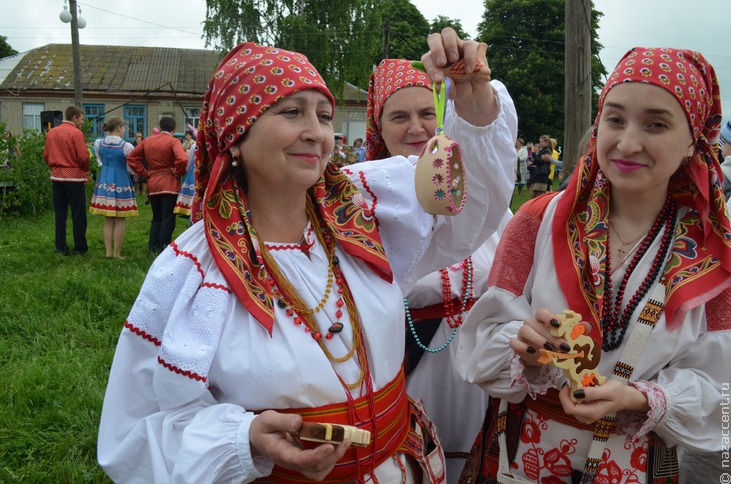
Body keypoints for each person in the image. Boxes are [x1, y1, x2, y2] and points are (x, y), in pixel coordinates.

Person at [97, 34, 516, 483]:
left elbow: (469, 207)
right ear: (235, 139)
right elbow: (138, 427)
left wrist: (472, 104)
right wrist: (244, 437)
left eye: (323, 115)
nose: (316, 132)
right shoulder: (193, 271)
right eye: (291, 112)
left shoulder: (361, 214)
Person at [455, 47, 731, 483]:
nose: (627, 142)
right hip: (519, 458)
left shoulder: (714, 256)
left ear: (693, 142)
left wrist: (642, 398)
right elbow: (478, 347)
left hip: (634, 466)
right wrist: (527, 348)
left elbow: (723, 396)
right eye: (615, 119)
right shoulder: (537, 221)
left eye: (656, 124)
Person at [362, 51, 516, 483]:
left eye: (427, 113)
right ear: (379, 127)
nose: (416, 128)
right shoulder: (363, 208)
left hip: (478, 371)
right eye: (399, 116)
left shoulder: (486, 205)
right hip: (410, 365)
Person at [127, 116, 188, 254]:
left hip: (153, 183)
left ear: (159, 127)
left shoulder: (147, 141)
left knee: (156, 217)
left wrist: (145, 173)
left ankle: (153, 248)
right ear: (174, 129)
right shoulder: (173, 141)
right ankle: (164, 248)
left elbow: (131, 158)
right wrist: (178, 172)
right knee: (168, 217)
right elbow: (183, 159)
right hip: (170, 183)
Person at [43, 105, 90, 255]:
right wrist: (86, 169)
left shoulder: (51, 132)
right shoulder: (76, 133)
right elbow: (83, 156)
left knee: (60, 214)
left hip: (57, 176)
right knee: (78, 214)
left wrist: (54, 165)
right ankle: (80, 247)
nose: (82, 122)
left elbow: (46, 155)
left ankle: (60, 247)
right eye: (81, 119)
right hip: (74, 177)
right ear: (74, 118)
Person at [89, 116, 138, 258]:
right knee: (120, 218)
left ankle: (108, 252)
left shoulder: (99, 143)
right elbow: (131, 167)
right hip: (121, 180)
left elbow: (99, 161)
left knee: (108, 218)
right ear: (118, 128)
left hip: (104, 180)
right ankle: (116, 253)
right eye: (123, 127)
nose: (124, 130)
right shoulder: (126, 146)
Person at [132, 132, 148, 198]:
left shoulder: (144, 146)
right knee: (136, 179)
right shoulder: (133, 146)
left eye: (139, 140)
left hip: (144, 164)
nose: (137, 141)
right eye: (137, 140)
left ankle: (143, 192)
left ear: (142, 140)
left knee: (144, 179)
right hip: (136, 164)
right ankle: (137, 191)